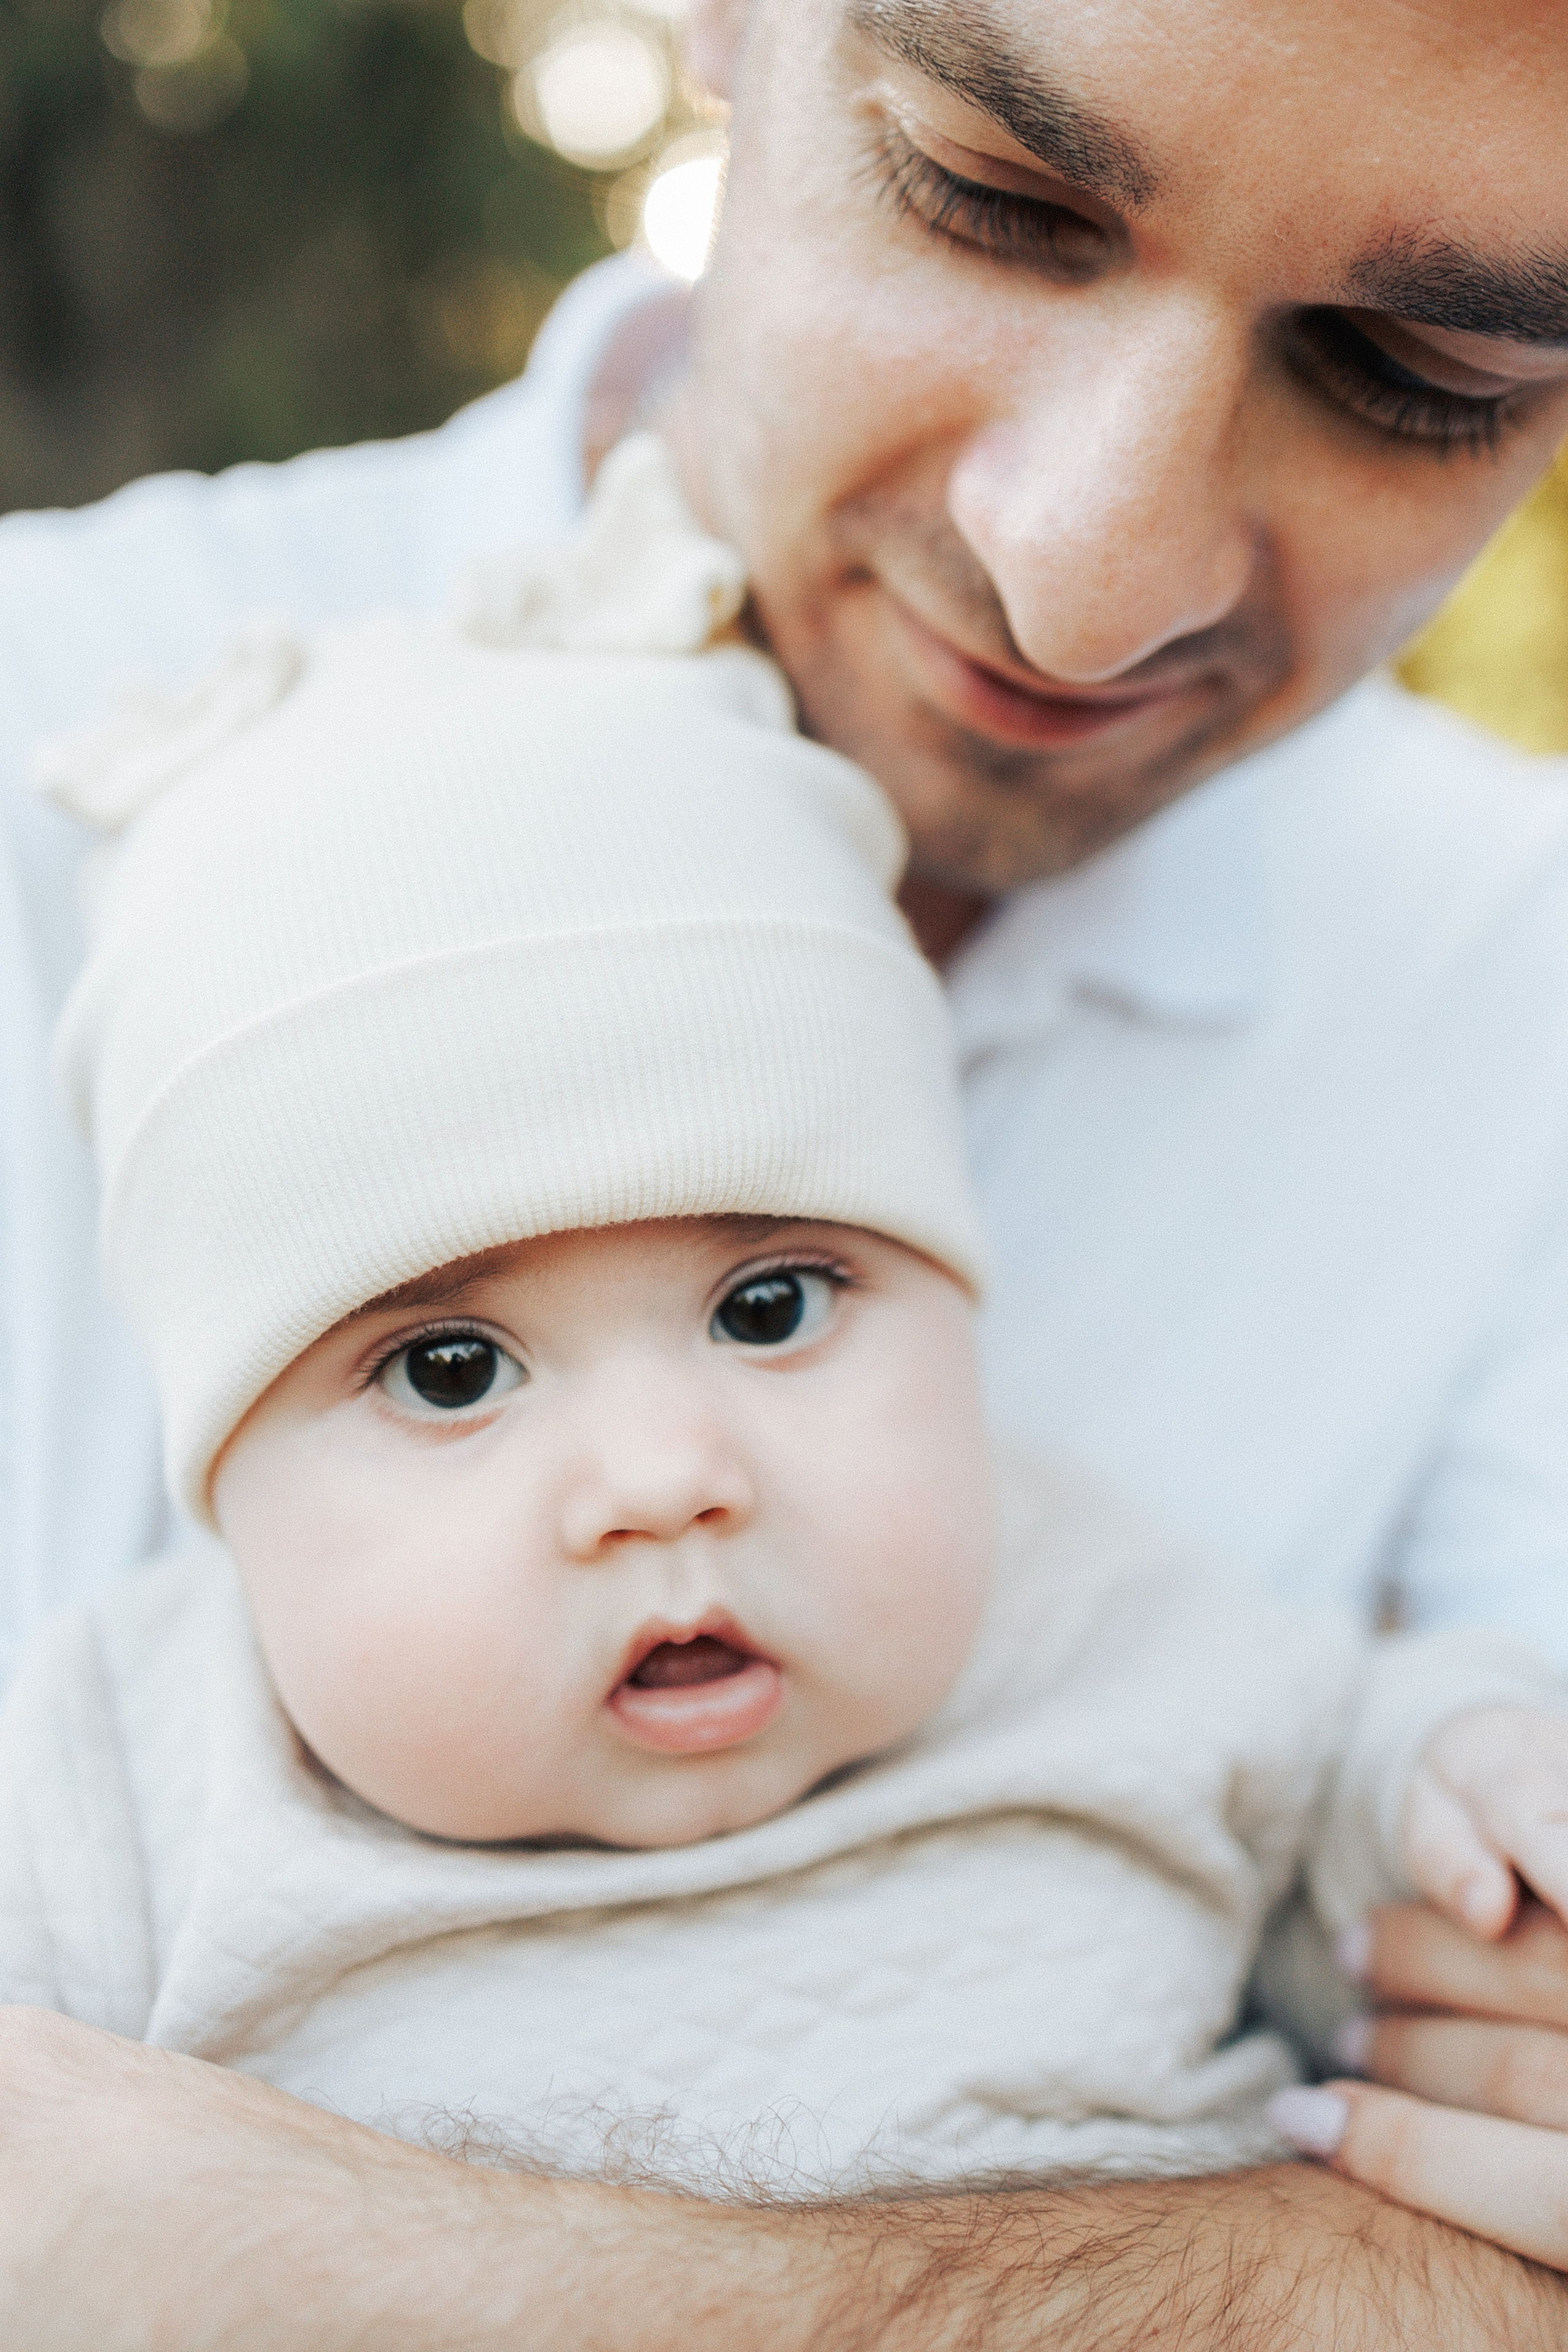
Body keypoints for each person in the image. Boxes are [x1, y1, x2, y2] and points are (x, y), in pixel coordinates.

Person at [2, 0, 1568, 2337]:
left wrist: (223, 2240)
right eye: (993, 196)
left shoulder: (1519, 990)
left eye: (1423, 372)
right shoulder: (69, 744)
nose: (1083, 578)